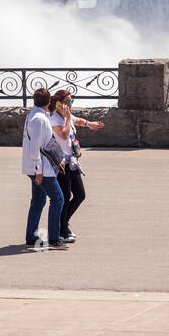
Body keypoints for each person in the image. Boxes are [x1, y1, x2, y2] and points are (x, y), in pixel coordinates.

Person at [48, 89, 105, 243]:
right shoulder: (54, 119)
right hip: (61, 163)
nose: (70, 105)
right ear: (58, 104)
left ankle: (62, 224)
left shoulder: (67, 116)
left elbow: (77, 120)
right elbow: (64, 135)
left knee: (80, 195)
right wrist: (67, 119)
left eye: (71, 102)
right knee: (65, 197)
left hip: (72, 162)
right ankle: (61, 229)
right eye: (67, 102)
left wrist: (89, 124)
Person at [23, 86, 66, 248]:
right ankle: (54, 238)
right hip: (41, 169)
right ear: (48, 102)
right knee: (58, 199)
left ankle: (31, 236)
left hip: (38, 167)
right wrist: (38, 172)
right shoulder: (39, 120)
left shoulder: (34, 115)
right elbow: (35, 149)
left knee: (38, 201)